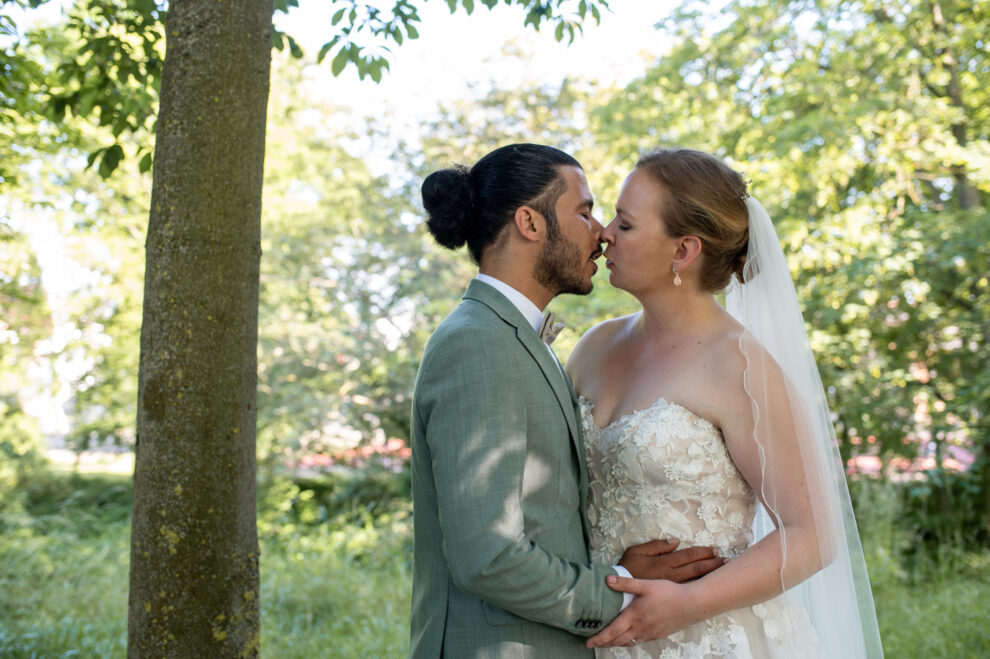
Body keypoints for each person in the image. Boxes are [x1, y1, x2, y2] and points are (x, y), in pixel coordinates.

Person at [409, 143, 726, 658]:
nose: (602, 231)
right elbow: (486, 555)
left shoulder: (513, 337)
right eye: (584, 211)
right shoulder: (478, 343)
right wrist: (618, 590)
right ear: (530, 223)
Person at [566, 148, 884, 657]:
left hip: (705, 636)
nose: (603, 233)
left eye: (625, 224)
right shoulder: (593, 348)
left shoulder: (741, 367)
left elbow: (813, 535)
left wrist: (685, 605)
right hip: (598, 629)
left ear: (683, 251)